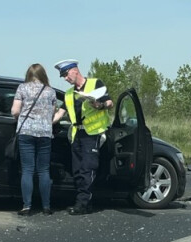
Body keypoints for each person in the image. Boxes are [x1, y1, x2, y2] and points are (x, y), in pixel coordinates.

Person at [53, 59, 114, 215]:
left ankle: (82, 203)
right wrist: (44, 123)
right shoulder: (68, 94)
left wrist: (99, 105)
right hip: (76, 134)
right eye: (63, 77)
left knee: (88, 169)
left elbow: (109, 102)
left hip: (93, 133)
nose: (66, 78)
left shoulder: (95, 84)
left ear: (75, 70)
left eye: (66, 74)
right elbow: (60, 114)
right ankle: (84, 203)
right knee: (78, 170)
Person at [11, 63, 60, 216]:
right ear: (43, 75)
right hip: (45, 133)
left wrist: (21, 116)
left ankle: (27, 206)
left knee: (27, 170)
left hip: (27, 132)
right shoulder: (51, 92)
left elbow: (15, 111)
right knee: (44, 170)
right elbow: (52, 115)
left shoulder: (22, 88)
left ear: (28, 75)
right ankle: (46, 206)